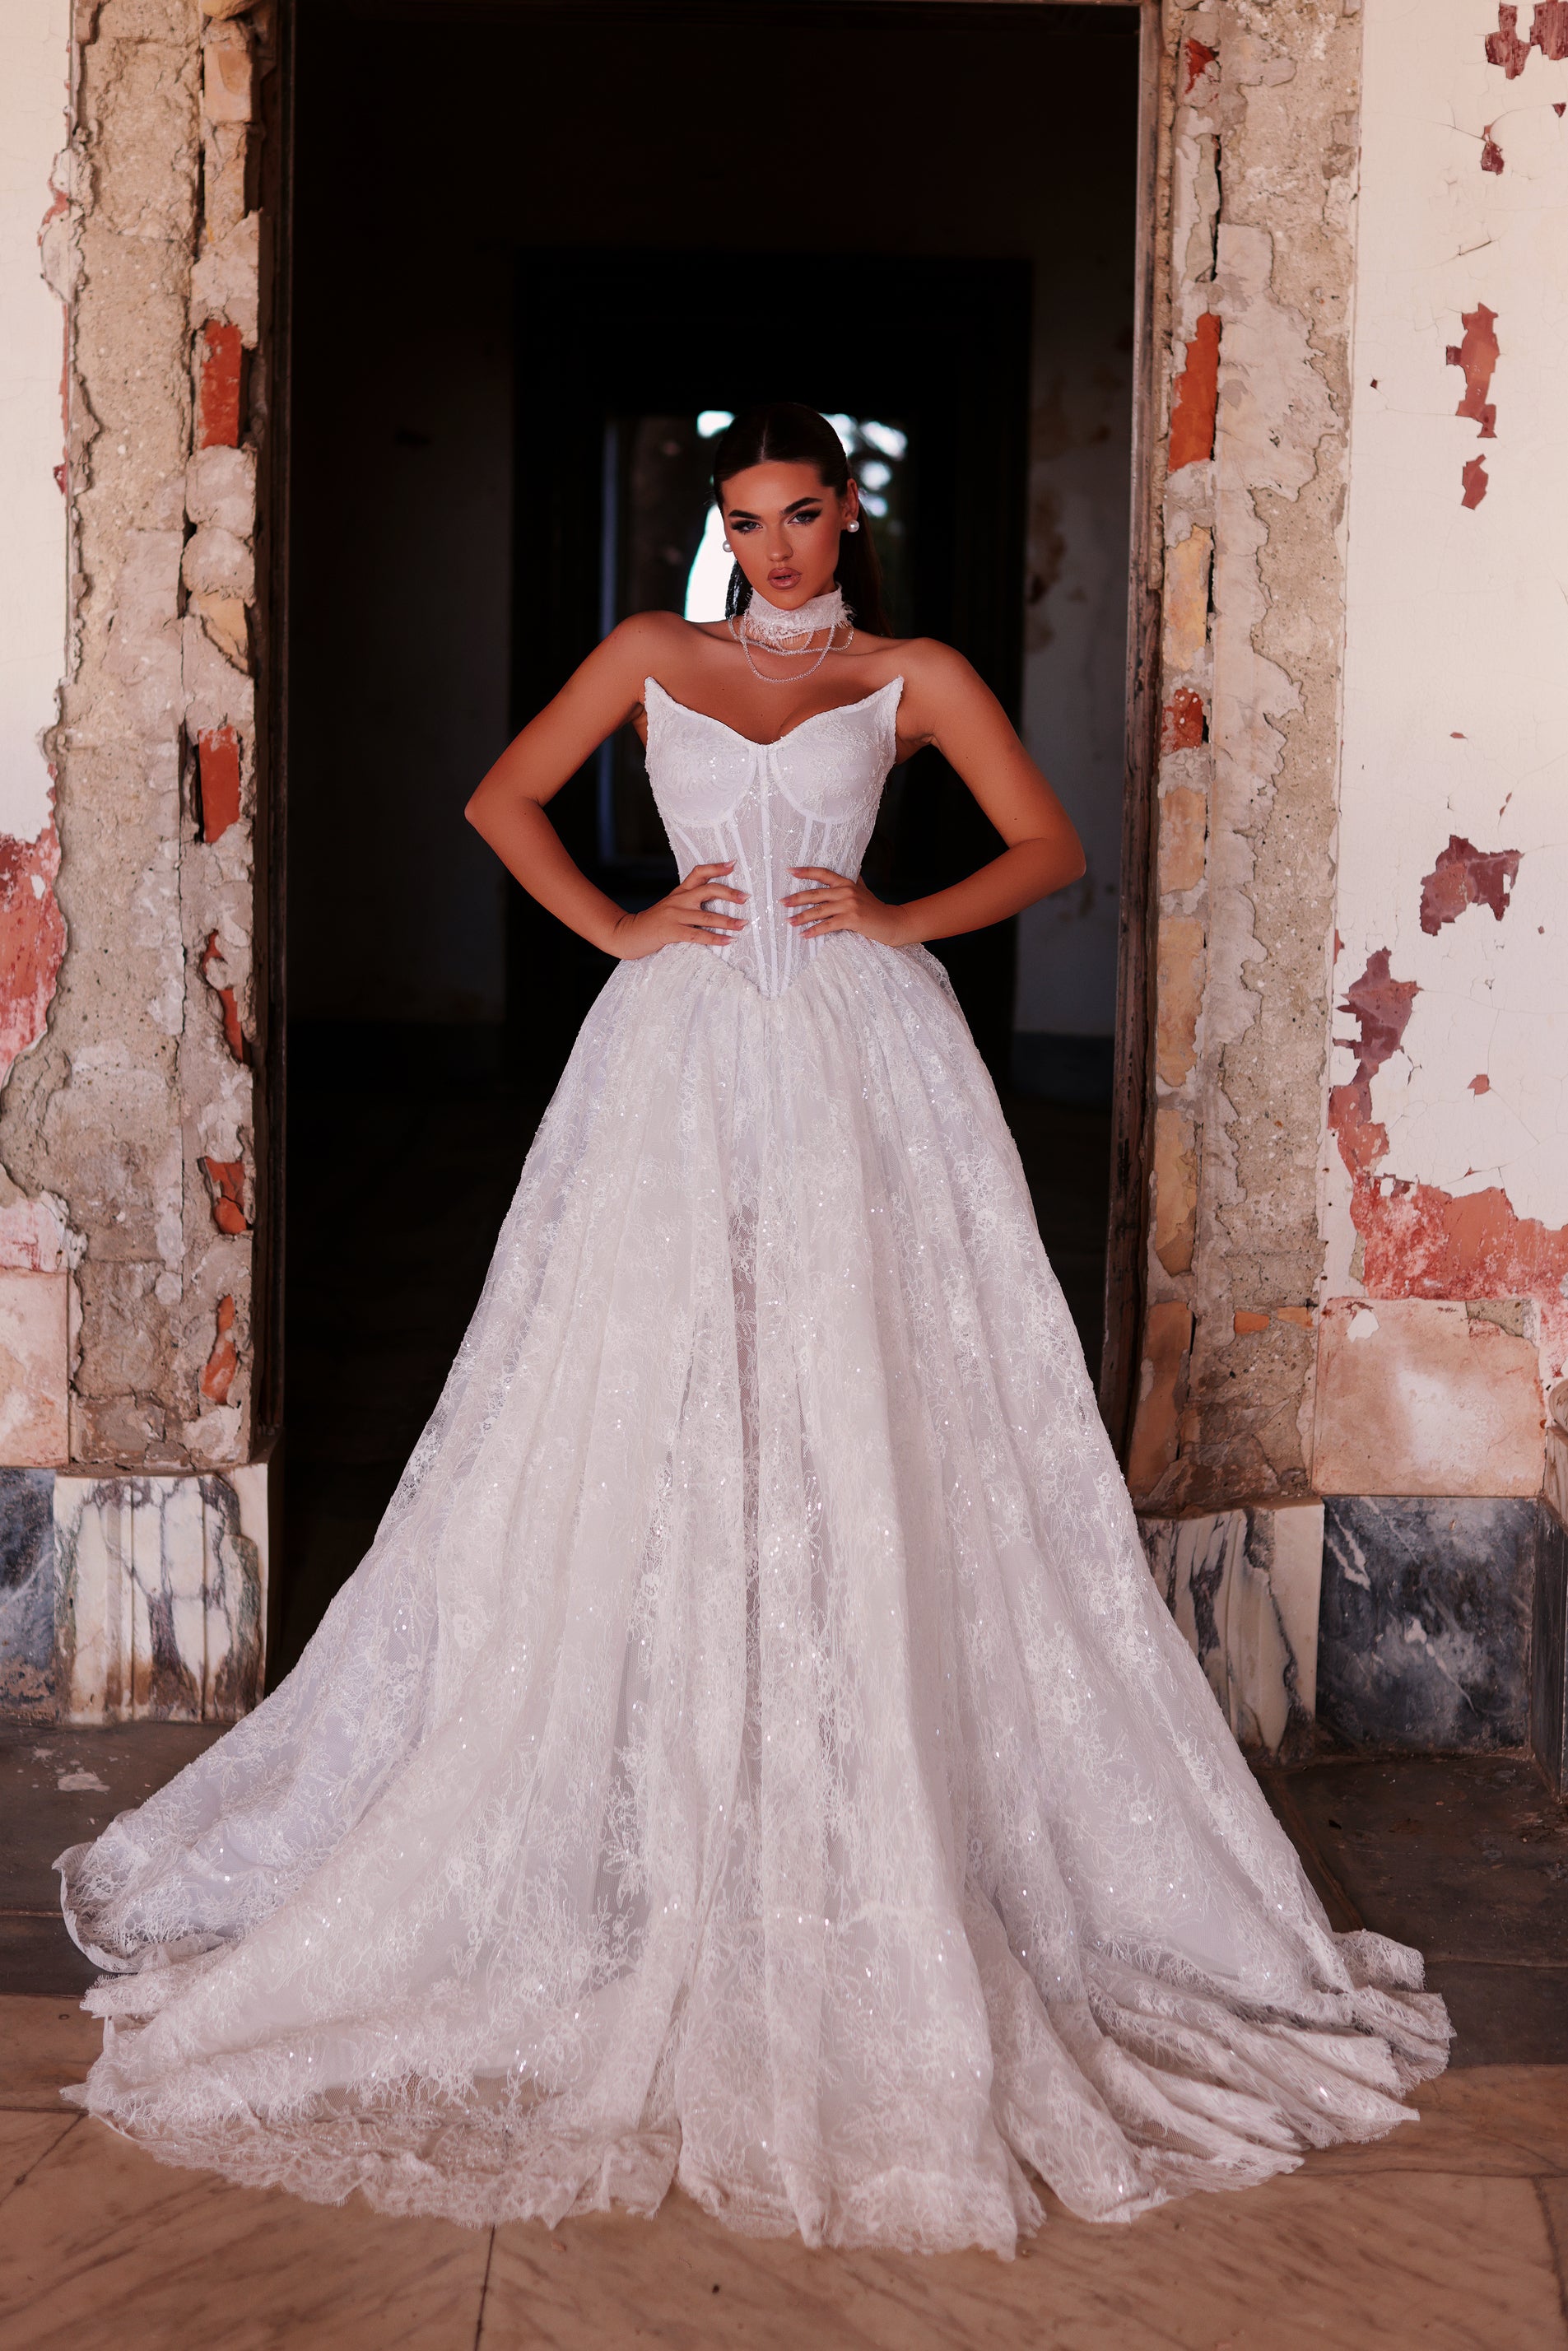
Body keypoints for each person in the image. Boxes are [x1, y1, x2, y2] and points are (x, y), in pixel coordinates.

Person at [57, 404, 1448, 2256]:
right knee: (642, 1380)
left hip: (869, 1063)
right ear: (714, 523)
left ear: (849, 510)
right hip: (677, 1056)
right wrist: (621, 929)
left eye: (801, 516)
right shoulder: (650, 654)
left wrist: (889, 913)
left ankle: (846, 1739)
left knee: (876, 1392)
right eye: (743, 519)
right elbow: (499, 801)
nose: (774, 551)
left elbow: (1043, 850)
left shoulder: (913, 671)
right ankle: (662, 1755)